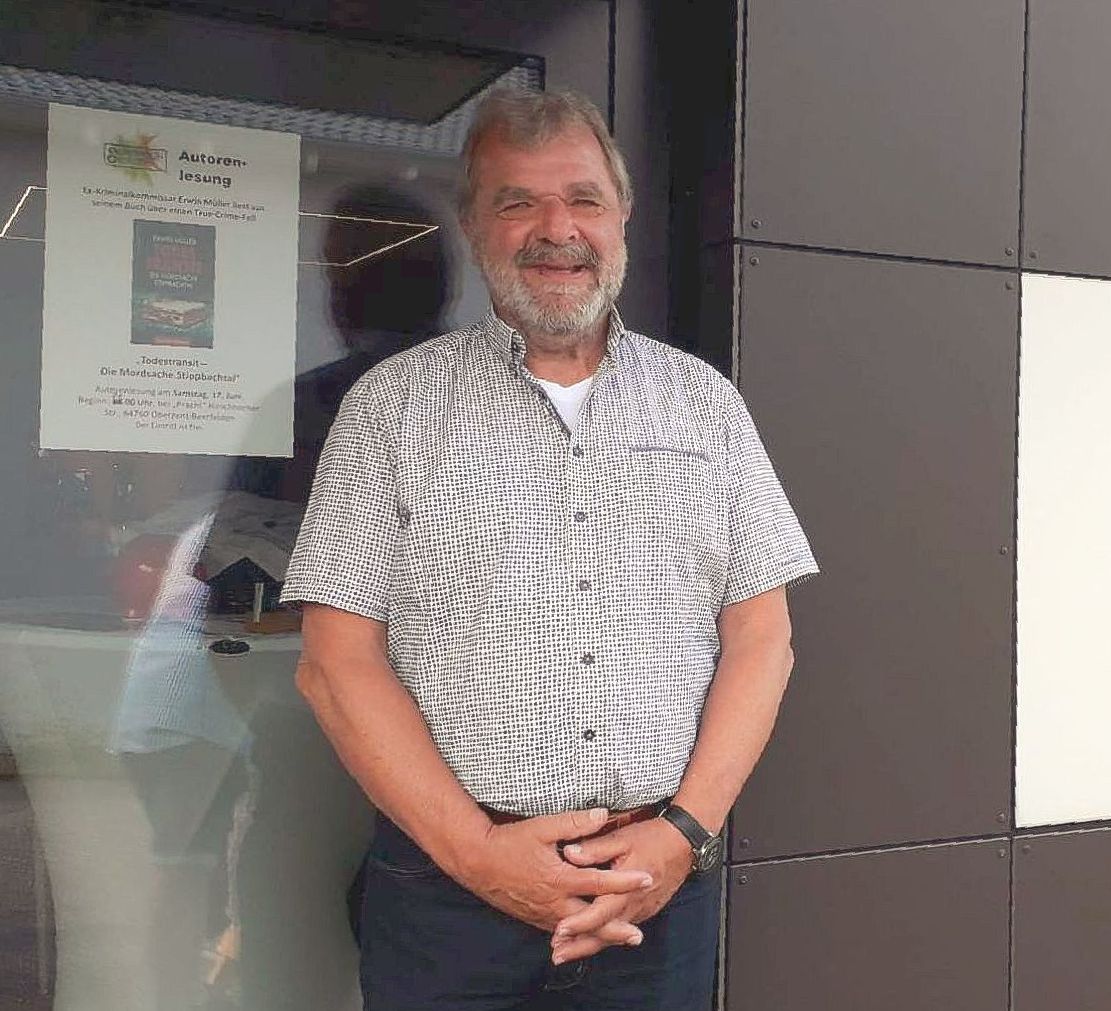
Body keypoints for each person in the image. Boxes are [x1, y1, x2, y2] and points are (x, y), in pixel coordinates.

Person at [280, 87, 817, 1010]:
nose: (555, 229)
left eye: (582, 199)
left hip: (655, 888)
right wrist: (480, 855)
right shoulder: (390, 409)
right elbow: (336, 663)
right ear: (473, 225)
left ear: (622, 215)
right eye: (517, 201)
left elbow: (763, 638)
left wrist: (684, 832)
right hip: (445, 900)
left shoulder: (705, 405)